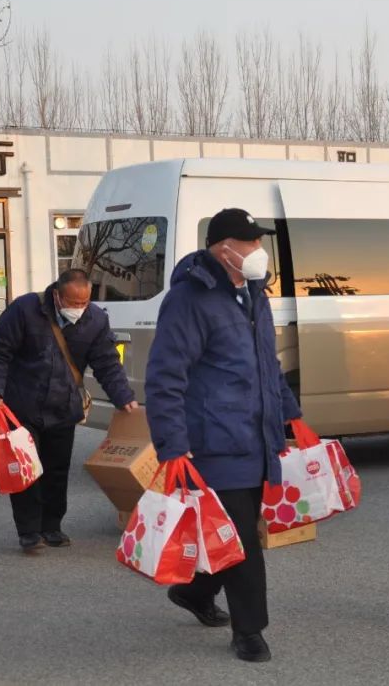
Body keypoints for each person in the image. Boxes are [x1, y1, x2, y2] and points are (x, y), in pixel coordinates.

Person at [145, 208, 302, 664]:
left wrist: (290, 416)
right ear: (223, 248)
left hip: (256, 436)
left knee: (232, 529)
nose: (258, 251)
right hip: (215, 439)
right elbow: (165, 376)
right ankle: (249, 631)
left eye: (259, 242)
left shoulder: (253, 292)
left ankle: (194, 593)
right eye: (249, 243)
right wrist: (172, 444)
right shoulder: (190, 299)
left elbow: (267, 364)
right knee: (245, 540)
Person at [0, 270, 138, 553]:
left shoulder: (96, 320)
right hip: (22, 405)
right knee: (26, 469)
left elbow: (107, 363)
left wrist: (124, 397)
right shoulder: (25, 309)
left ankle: (52, 526)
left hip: (63, 406)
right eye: (73, 302)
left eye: (85, 302)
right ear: (57, 294)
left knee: (56, 470)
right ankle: (29, 531)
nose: (79, 308)